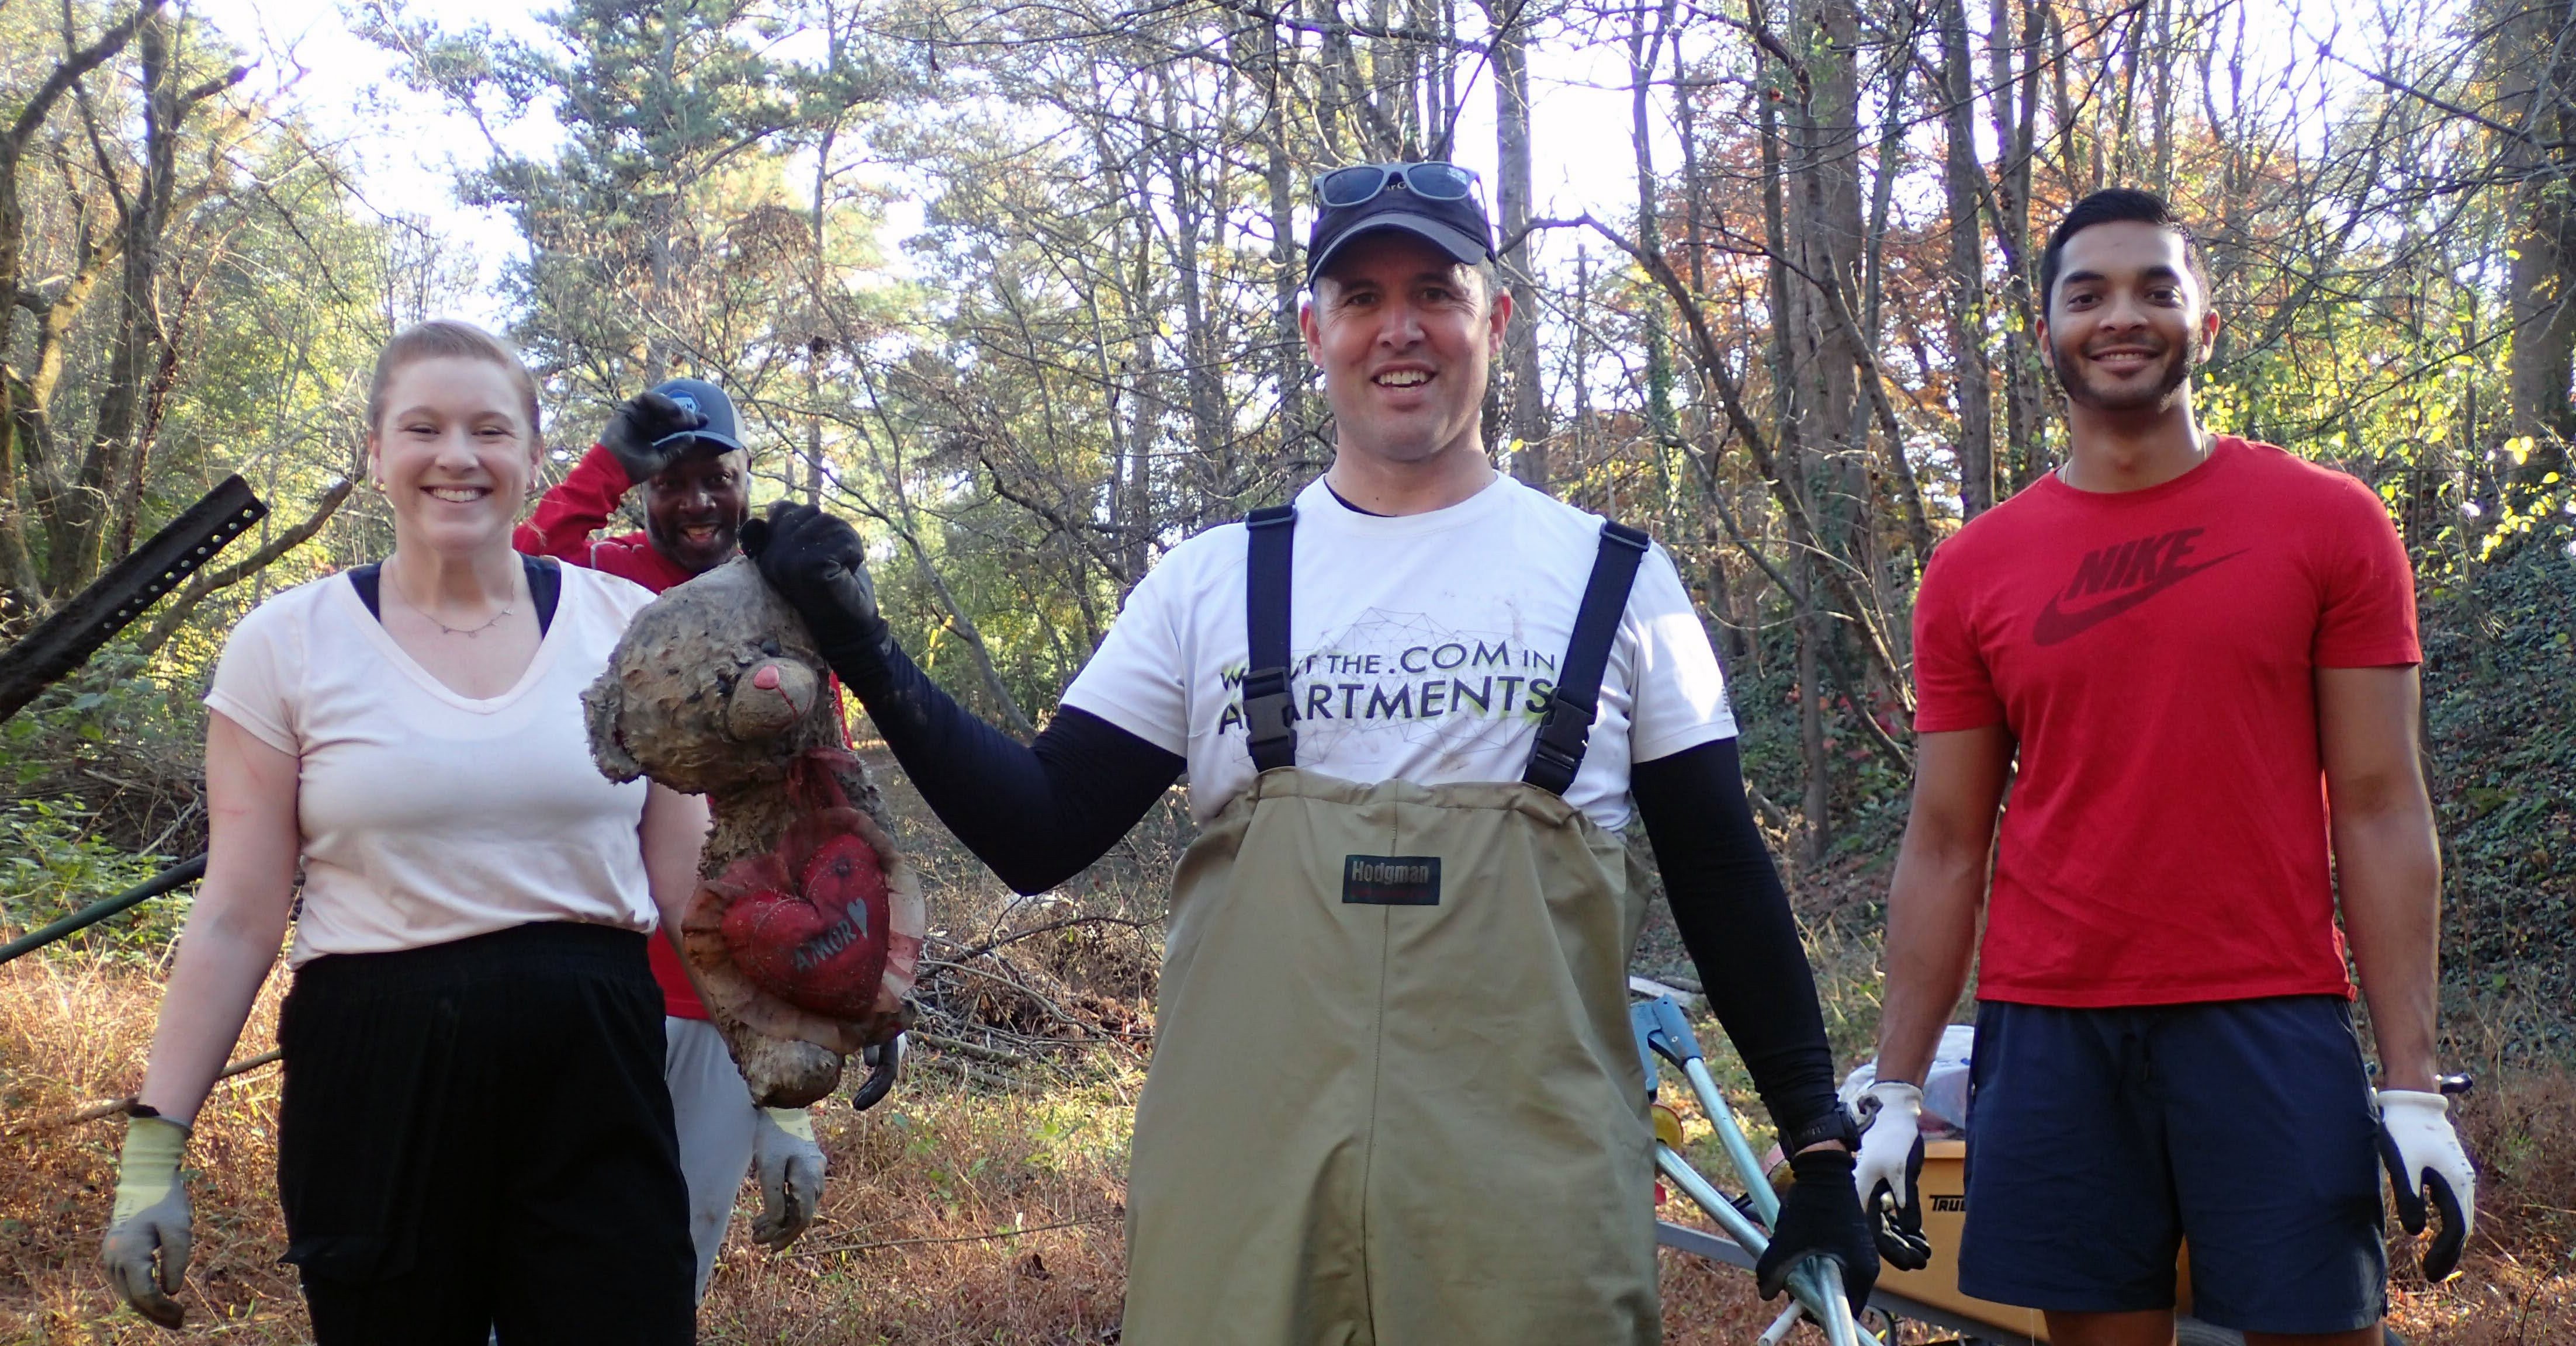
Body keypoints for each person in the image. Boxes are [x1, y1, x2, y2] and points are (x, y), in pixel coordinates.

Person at [739, 159, 1874, 1344]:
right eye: (1361, 297)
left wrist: (1819, 1154)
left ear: (1494, 316)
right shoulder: (1208, 583)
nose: (1401, 330)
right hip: (1246, 1191)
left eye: (1434, 290)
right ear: (1312, 330)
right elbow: (1038, 829)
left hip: (1528, 1207)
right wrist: (866, 648)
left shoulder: (1618, 583)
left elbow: (1720, 873)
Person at [1854, 189, 2477, 1346]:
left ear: (2206, 316)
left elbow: (2382, 806)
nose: (2119, 315)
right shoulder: (1971, 572)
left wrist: (2408, 1083)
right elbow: (1944, 840)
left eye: (2153, 286)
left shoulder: (2326, 525)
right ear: (2044, 329)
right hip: (2050, 1031)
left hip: (2266, 1012)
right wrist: (1893, 1091)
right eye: (2084, 293)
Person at [99, 320, 704, 1342]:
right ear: (375, 453)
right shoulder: (285, 644)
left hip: (593, 1065)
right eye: (423, 428)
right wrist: (156, 1149)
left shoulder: (630, 629)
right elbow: (238, 916)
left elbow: (691, 888)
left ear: (533, 455)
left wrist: (783, 1091)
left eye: (489, 430)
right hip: (376, 1073)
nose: (458, 456)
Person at [515, 376, 829, 1297]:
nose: (696, 501)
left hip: (725, 989)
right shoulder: (598, 577)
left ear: (744, 477)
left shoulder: (787, 598)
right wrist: (604, 467)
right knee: (547, 1242)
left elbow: (823, 797)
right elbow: (509, 572)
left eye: (716, 476)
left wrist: (837, 1002)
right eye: (670, 481)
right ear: (645, 493)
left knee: (674, 1255)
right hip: (591, 972)